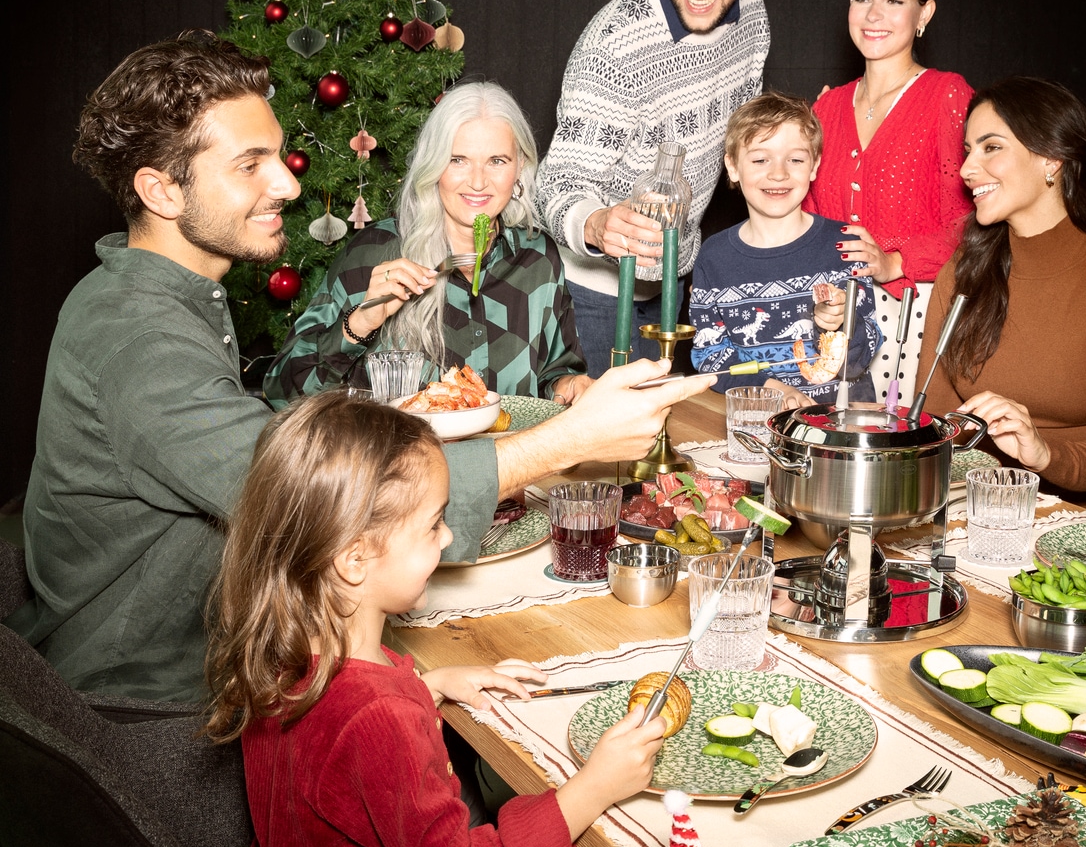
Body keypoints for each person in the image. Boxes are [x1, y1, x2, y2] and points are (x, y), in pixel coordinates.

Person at [13, 37, 713, 703]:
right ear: (162, 192)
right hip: (151, 697)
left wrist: (398, 675)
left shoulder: (165, 300)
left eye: (280, 157)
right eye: (249, 164)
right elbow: (310, 492)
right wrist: (568, 441)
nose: (287, 185)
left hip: (247, 642)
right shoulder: (138, 335)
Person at [206, 391, 665, 847]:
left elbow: (334, 753)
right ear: (354, 559)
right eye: (433, 525)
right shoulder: (379, 718)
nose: (449, 537)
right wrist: (592, 787)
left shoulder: (285, 650)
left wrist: (431, 683)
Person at [535, 0, 772, 374]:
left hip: (675, 278)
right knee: (605, 450)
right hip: (593, 290)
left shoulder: (752, 18)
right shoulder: (615, 45)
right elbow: (555, 183)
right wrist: (596, 223)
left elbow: (739, 128)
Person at [266, 81, 591, 407]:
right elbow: (282, 394)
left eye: (497, 161)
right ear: (433, 165)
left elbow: (555, 372)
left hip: (516, 455)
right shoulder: (375, 252)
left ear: (520, 166)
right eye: (458, 160)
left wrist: (568, 384)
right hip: (399, 457)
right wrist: (360, 323)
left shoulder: (537, 258)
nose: (478, 181)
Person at [920, 78, 1086, 495]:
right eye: (968, 151)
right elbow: (935, 420)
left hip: (1064, 512)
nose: (966, 169)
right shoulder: (964, 271)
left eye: (991, 147)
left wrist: (1041, 450)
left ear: (1051, 158)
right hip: (964, 502)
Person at [806, 0, 972, 402]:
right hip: (835, 322)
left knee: (899, 462)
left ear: (925, 13)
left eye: (894, 0)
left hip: (912, 320)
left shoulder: (947, 96)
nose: (874, 13)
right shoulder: (826, 106)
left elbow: (972, 220)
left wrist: (895, 261)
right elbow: (806, 217)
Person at [690, 95, 879, 407]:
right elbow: (711, 358)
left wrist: (844, 322)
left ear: (814, 166)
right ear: (733, 167)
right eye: (760, 159)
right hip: (758, 423)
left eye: (795, 160)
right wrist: (770, 387)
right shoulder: (713, 257)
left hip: (836, 426)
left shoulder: (846, 245)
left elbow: (859, 361)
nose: (778, 173)